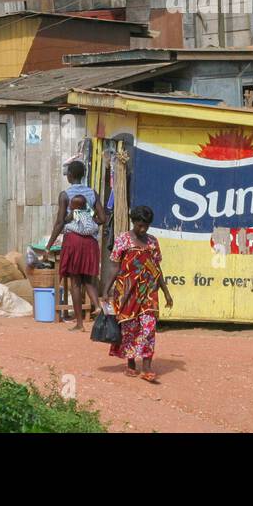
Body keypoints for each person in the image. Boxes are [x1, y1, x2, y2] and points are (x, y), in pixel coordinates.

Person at [105, 205, 173, 383]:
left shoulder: (152, 242)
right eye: (139, 225)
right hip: (127, 291)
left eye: (146, 226)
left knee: (149, 328)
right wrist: (106, 289)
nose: (143, 229)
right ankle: (131, 363)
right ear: (133, 222)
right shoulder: (123, 240)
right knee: (130, 328)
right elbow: (114, 266)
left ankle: (147, 367)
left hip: (149, 292)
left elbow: (156, 268)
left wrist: (166, 292)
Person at [45, 159, 106, 332]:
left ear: (70, 176)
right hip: (90, 242)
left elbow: (59, 222)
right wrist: (89, 222)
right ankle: (98, 307)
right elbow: (102, 219)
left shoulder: (65, 195)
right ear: (84, 175)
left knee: (75, 282)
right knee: (89, 280)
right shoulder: (92, 193)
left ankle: (79, 323)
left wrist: (49, 246)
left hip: (73, 242)